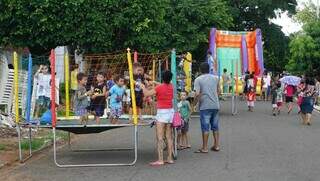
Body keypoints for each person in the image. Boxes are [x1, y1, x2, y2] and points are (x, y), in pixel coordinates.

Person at [140, 70, 174, 166]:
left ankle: (160, 159)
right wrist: (154, 82)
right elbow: (163, 84)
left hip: (162, 113)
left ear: (162, 78)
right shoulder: (171, 86)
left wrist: (142, 87)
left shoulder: (159, 88)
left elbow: (147, 94)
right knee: (169, 136)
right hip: (170, 112)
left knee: (159, 137)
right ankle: (170, 158)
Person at [194, 62, 220, 153]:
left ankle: (204, 147)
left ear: (200, 70)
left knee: (205, 127)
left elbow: (197, 94)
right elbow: (219, 92)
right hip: (215, 105)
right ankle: (216, 145)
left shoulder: (198, 79)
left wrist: (194, 104)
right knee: (215, 126)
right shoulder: (216, 78)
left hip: (205, 106)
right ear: (209, 69)